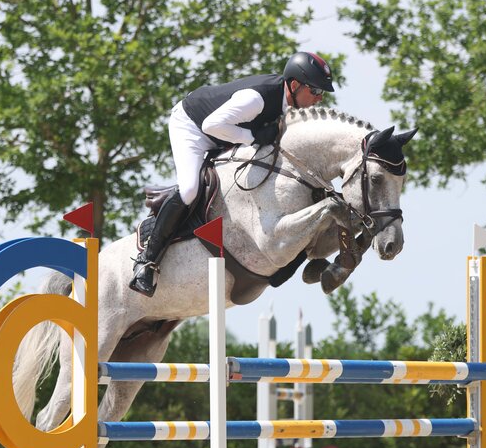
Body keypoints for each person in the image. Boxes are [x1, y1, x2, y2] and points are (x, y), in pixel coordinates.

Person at [129, 51, 336, 297]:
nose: (319, 98)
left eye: (321, 93)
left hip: (224, 132)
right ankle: (146, 262)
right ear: (294, 85)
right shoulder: (256, 99)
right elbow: (211, 126)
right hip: (193, 127)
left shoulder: (287, 104)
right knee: (189, 189)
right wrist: (252, 138)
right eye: (314, 91)